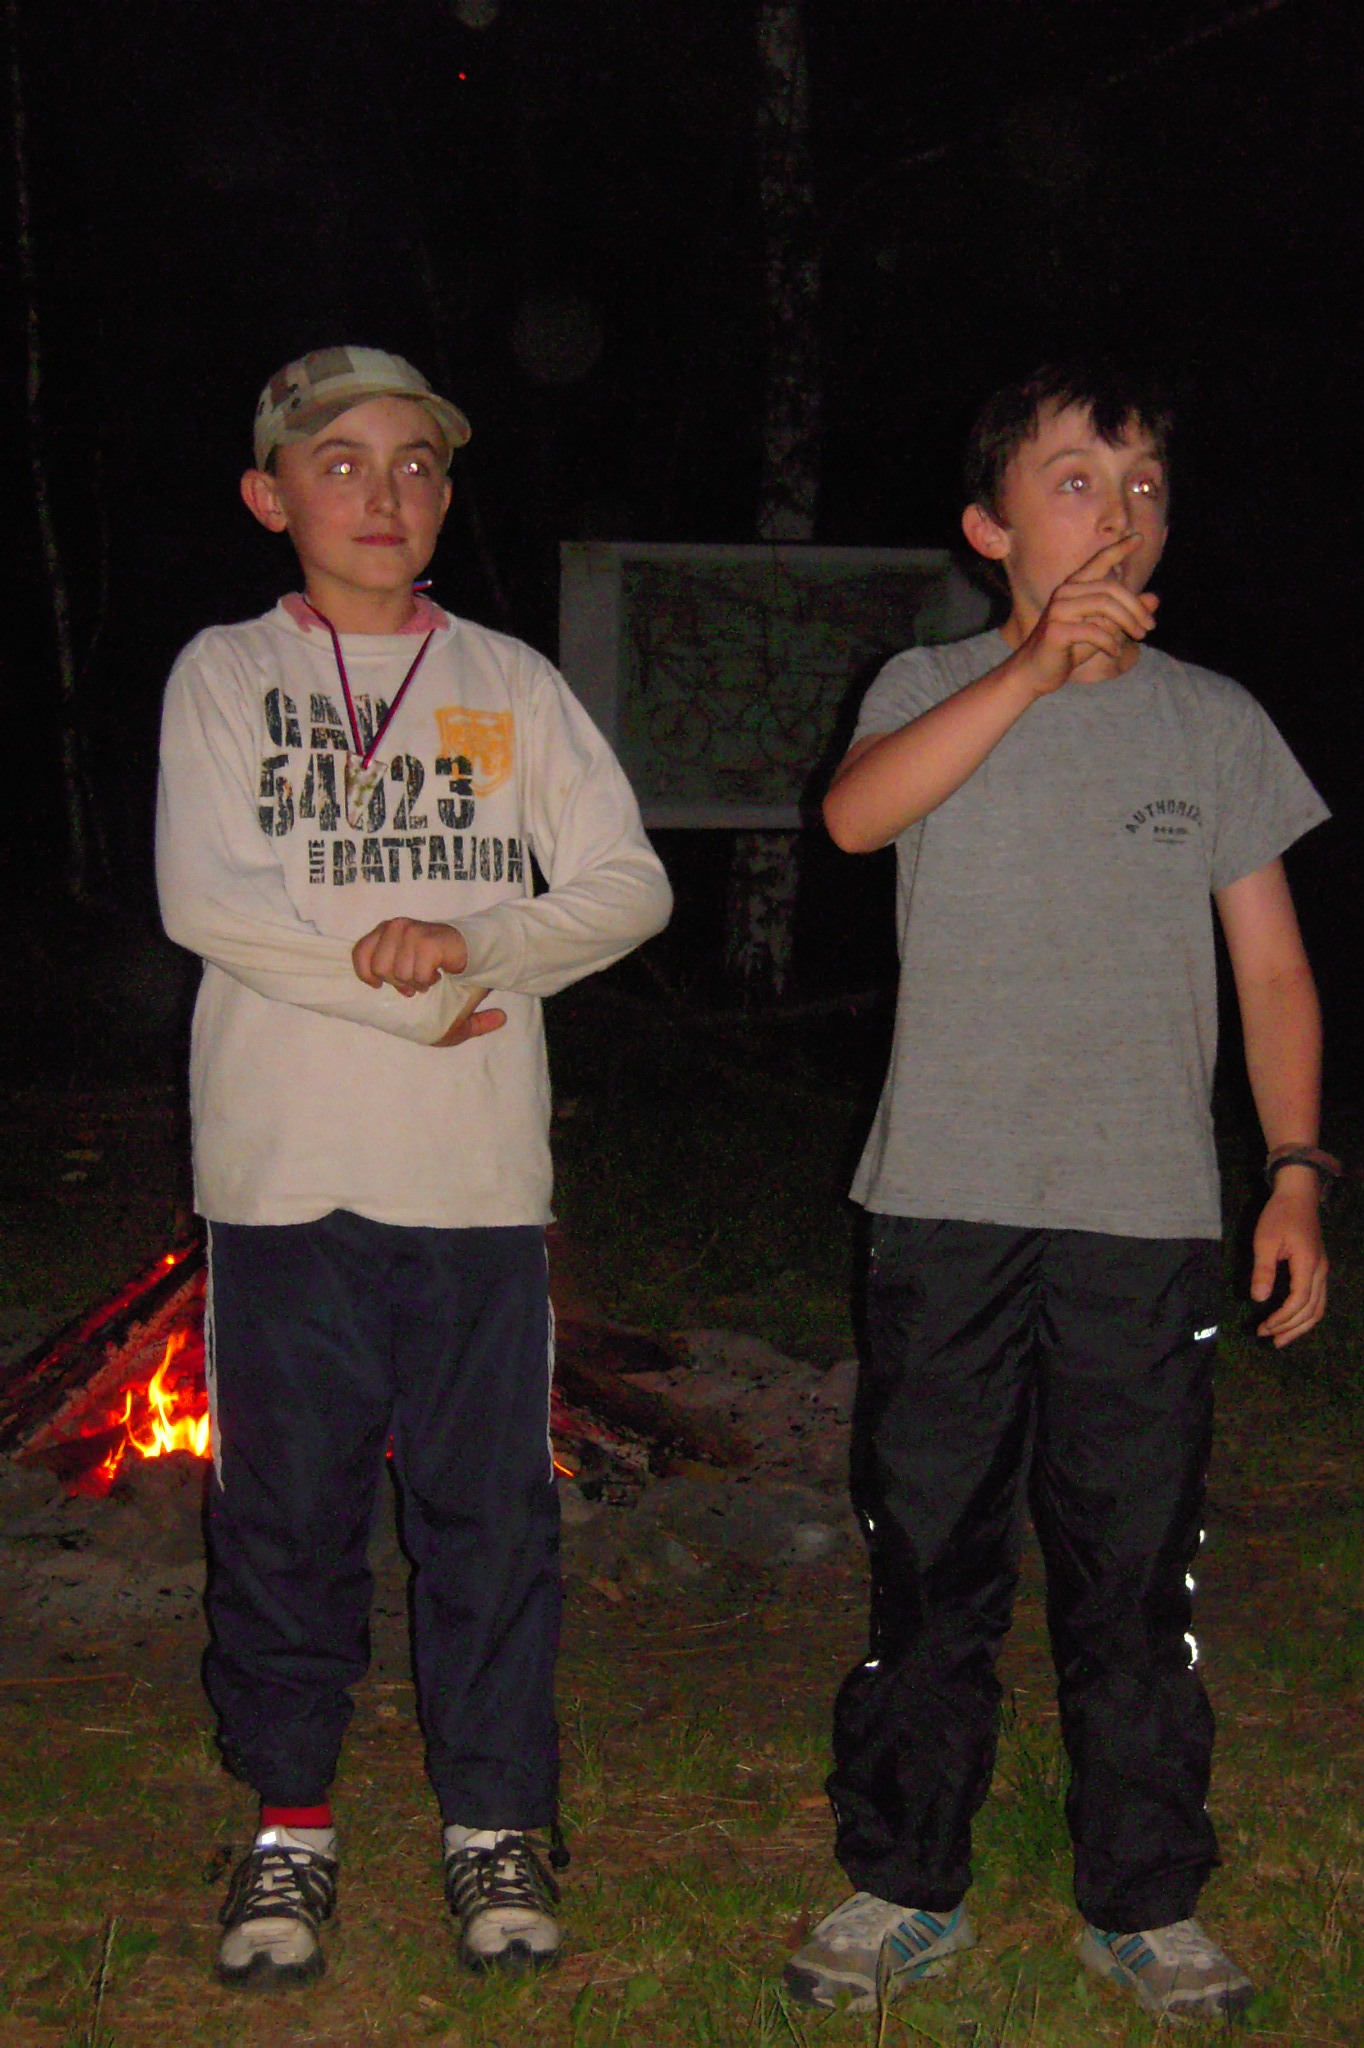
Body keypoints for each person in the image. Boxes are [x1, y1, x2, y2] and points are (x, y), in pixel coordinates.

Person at [783, 363, 1335, 2021]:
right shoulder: (929, 683)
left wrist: (1296, 1172)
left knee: (1133, 1570)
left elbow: (1275, 973)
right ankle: (903, 1880)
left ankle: (1145, 1899)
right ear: (990, 526)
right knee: (929, 1557)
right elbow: (853, 819)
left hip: (1141, 1216)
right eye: (1079, 477)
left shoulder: (1214, 721)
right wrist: (1031, 671)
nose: (1122, 510)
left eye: (1146, 482)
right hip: (944, 1203)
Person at [156, 345, 671, 1990]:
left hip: (473, 1183)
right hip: (281, 1176)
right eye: (340, 463)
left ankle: (496, 1823)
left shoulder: (507, 681)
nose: (384, 495)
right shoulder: (226, 674)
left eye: (418, 464)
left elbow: (626, 885)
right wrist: (411, 996)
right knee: (283, 1516)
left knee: (490, 1517)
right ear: (270, 496)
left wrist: (474, 945)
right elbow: (208, 901)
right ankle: (290, 1824)